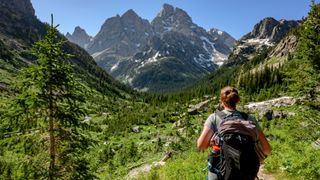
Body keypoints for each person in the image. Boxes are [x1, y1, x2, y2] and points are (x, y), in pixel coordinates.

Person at [197, 86, 272, 180]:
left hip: (220, 169)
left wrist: (215, 142)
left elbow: (201, 145)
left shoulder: (214, 118)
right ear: (238, 100)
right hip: (246, 171)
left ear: (221, 100)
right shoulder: (249, 119)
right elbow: (267, 150)